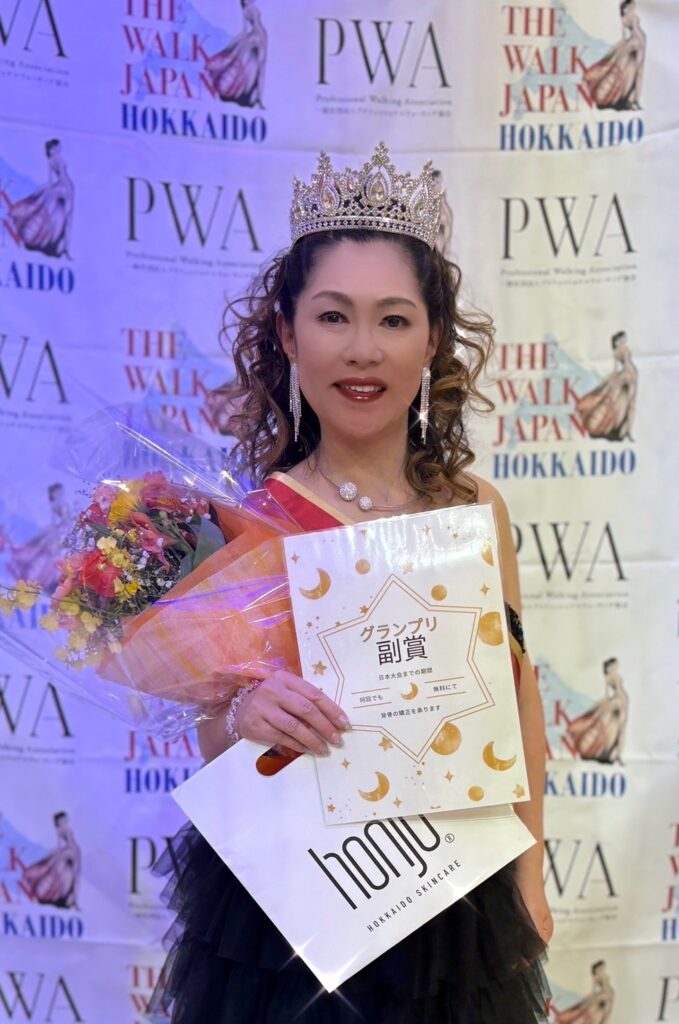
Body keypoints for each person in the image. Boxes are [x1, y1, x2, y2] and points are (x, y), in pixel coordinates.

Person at [149, 144, 551, 1023]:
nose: (362, 350)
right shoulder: (242, 522)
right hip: (296, 908)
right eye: (333, 317)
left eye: (393, 320)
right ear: (289, 335)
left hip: (457, 902)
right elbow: (215, 740)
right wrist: (246, 715)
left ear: (433, 339)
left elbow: (518, 705)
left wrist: (529, 875)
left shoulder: (475, 511)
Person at [8, 140, 74, 259]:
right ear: (52, 149)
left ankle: (65, 247)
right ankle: (63, 247)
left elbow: (54, 179)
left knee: (65, 216)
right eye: (56, 147)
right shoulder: (54, 160)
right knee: (64, 216)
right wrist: (47, 189)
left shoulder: (55, 159)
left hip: (64, 187)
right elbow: (53, 179)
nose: (59, 149)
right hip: (63, 187)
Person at [583, 1, 646, 111]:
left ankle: (635, 100)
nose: (631, 9)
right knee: (633, 69)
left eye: (632, 7)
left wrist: (629, 44)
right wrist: (624, 46)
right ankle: (632, 100)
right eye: (629, 7)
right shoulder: (628, 18)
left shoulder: (630, 17)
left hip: (638, 40)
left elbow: (631, 34)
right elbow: (624, 36)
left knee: (638, 71)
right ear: (625, 8)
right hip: (636, 41)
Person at [575, 331, 638, 442]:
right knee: (621, 397)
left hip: (628, 374)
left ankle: (627, 430)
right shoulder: (620, 351)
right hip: (625, 375)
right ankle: (624, 429)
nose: (624, 341)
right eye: (622, 339)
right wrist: (615, 377)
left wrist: (619, 375)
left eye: (624, 339)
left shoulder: (622, 351)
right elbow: (616, 367)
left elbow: (623, 366)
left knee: (629, 401)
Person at [566, 658, 629, 765]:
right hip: (596, 746)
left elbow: (622, 727)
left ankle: (613, 753)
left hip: (605, 748)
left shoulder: (619, 700)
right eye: (613, 670)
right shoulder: (605, 702)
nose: (617, 674)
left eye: (616, 670)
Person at [206, 0, 267, 109]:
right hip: (257, 36)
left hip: (256, 36)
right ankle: (254, 95)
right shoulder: (249, 11)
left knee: (254, 64)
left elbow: (244, 30)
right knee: (256, 64)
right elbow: (253, 27)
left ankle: (255, 95)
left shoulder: (247, 11)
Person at [21, 812, 81, 910]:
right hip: (66, 855)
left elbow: (68, 845)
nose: (64, 823)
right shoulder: (60, 834)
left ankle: (71, 899)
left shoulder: (68, 833)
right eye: (62, 821)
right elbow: (59, 846)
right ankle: (65, 898)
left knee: (71, 874)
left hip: (70, 854)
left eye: (65, 820)